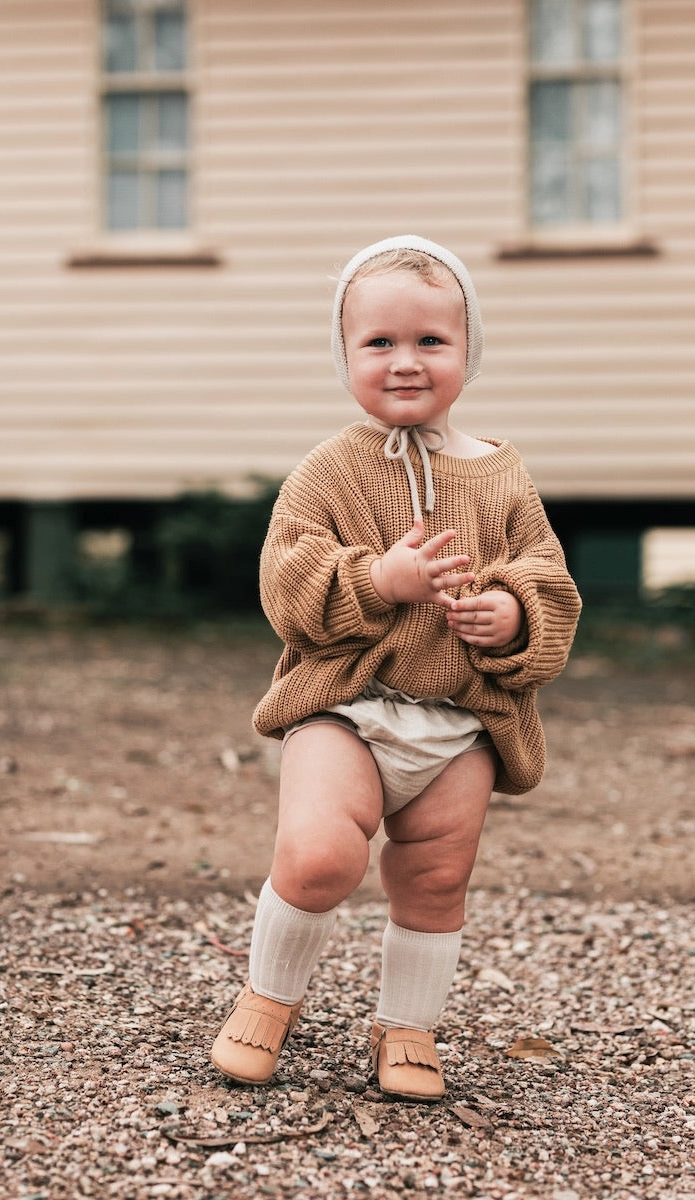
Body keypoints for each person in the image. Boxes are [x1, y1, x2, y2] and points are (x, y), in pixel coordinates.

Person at [210, 234, 582, 1102]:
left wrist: (515, 610)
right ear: (344, 357)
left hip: (460, 723)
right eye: (379, 343)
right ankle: (269, 997)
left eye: (430, 342)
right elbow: (286, 582)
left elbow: (550, 577)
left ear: (468, 351)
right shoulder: (330, 471)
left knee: (435, 873)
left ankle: (406, 1024)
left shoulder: (501, 476)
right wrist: (377, 578)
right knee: (316, 857)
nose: (405, 362)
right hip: (348, 707)